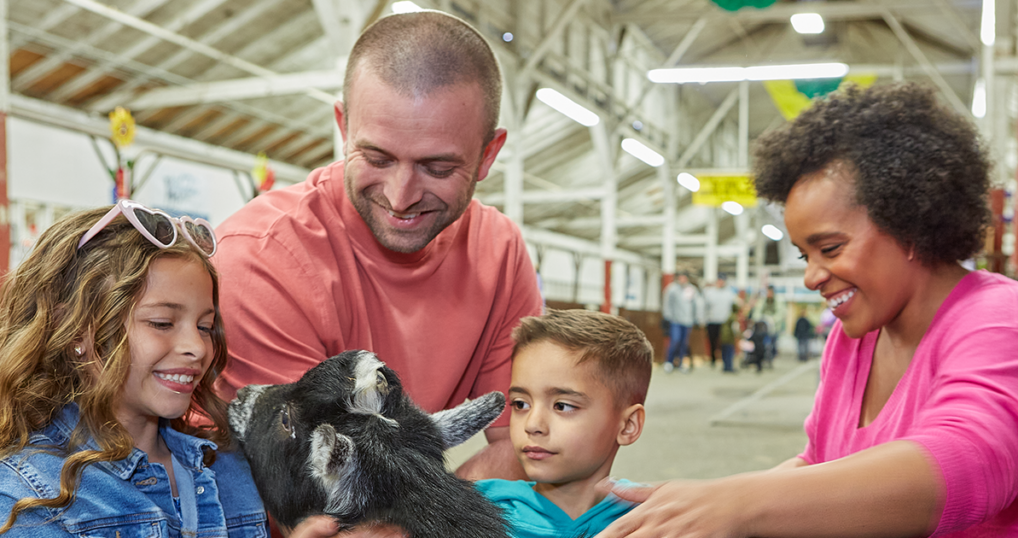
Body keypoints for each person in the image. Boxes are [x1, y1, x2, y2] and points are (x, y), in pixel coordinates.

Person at [595, 82, 1018, 537]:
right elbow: (819, 463)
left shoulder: (1001, 317)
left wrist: (739, 504)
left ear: (911, 222)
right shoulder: (853, 339)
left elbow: (968, 464)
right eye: (805, 255)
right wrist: (702, 506)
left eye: (831, 248)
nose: (812, 276)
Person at [211, 10, 543, 484]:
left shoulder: (500, 253)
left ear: (488, 154)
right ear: (343, 127)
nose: (400, 196)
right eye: (377, 157)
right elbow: (311, 496)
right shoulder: (261, 261)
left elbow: (527, 444)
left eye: (438, 168)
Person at [0, 202, 335, 538]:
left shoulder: (231, 468)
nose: (197, 347)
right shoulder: (27, 495)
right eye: (162, 323)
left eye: (205, 326)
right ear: (74, 331)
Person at [477, 309, 652, 538]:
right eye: (520, 404)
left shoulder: (653, 520)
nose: (532, 424)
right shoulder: (471, 510)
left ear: (628, 425)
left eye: (562, 406)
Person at [661, 272, 704, 372]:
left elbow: (697, 304)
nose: (682, 280)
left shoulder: (692, 289)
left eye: (684, 278)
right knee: (675, 341)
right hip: (675, 320)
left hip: (688, 321)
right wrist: (667, 316)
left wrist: (698, 318)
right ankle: (669, 362)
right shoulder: (672, 289)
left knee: (684, 343)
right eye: (680, 278)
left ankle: (681, 363)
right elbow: (667, 303)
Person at [702, 274, 736, 369]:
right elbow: (705, 307)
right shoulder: (709, 292)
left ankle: (726, 363)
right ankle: (713, 359)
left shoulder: (729, 293)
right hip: (712, 320)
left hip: (724, 322)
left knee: (724, 342)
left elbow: (734, 305)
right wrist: (703, 319)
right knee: (712, 341)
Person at [749, 284, 785, 368]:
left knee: (772, 344)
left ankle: (770, 359)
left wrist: (772, 320)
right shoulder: (762, 301)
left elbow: (780, 313)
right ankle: (761, 360)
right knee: (760, 344)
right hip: (762, 328)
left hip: (773, 328)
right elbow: (757, 312)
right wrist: (761, 319)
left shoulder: (778, 301)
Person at [719, 304, 739, 373]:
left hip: (723, 336)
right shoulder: (734, 317)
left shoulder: (728, 316)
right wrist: (738, 335)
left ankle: (725, 367)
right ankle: (729, 367)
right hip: (729, 337)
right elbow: (735, 328)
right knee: (729, 352)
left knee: (724, 352)